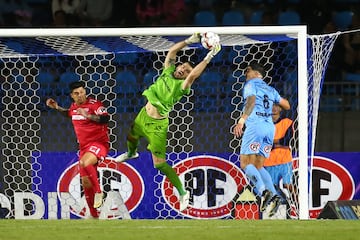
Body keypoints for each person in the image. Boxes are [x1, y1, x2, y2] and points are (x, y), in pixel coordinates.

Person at [114, 32, 221, 212]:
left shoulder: (182, 86)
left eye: (186, 70)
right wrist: (189, 41)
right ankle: (131, 154)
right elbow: (171, 52)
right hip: (143, 115)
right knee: (132, 136)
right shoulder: (167, 71)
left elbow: (193, 76)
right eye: (182, 67)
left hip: (158, 125)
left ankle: (182, 192)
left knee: (159, 164)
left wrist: (209, 56)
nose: (182, 70)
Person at [233, 61, 290, 217]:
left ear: (254, 72)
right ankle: (274, 194)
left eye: (247, 71)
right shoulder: (271, 89)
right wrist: (273, 99)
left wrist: (242, 120)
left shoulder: (251, 84)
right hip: (269, 128)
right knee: (258, 165)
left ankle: (263, 191)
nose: (246, 74)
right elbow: (286, 105)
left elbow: (251, 101)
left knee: (245, 163)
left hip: (255, 125)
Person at [46, 81, 110, 218]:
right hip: (84, 148)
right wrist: (57, 107)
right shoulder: (74, 107)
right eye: (76, 93)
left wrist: (89, 116)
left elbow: (105, 119)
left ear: (85, 92)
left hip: (99, 144)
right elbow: (70, 113)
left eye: (81, 92)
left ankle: (99, 191)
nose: (80, 95)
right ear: (72, 96)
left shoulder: (95, 104)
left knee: (84, 163)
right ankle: (94, 216)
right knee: (85, 182)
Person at [264, 103, 297, 216]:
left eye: (276, 106)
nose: (274, 108)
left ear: (281, 109)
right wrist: (278, 142)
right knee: (272, 189)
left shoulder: (287, 122)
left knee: (288, 185)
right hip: (268, 162)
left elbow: (287, 141)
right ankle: (274, 213)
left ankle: (299, 207)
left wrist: (274, 143)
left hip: (285, 160)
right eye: (271, 106)